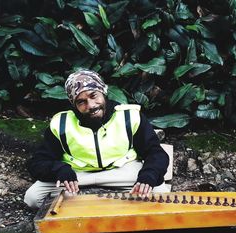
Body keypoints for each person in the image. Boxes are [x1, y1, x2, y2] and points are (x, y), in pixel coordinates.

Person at [24, 69, 169, 208]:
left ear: (103, 92)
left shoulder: (129, 116)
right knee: (33, 198)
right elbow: (37, 161)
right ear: (74, 105)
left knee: (159, 193)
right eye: (81, 102)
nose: (91, 105)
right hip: (78, 175)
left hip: (122, 171)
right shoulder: (61, 123)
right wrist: (60, 170)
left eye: (93, 96)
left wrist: (149, 175)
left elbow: (155, 152)